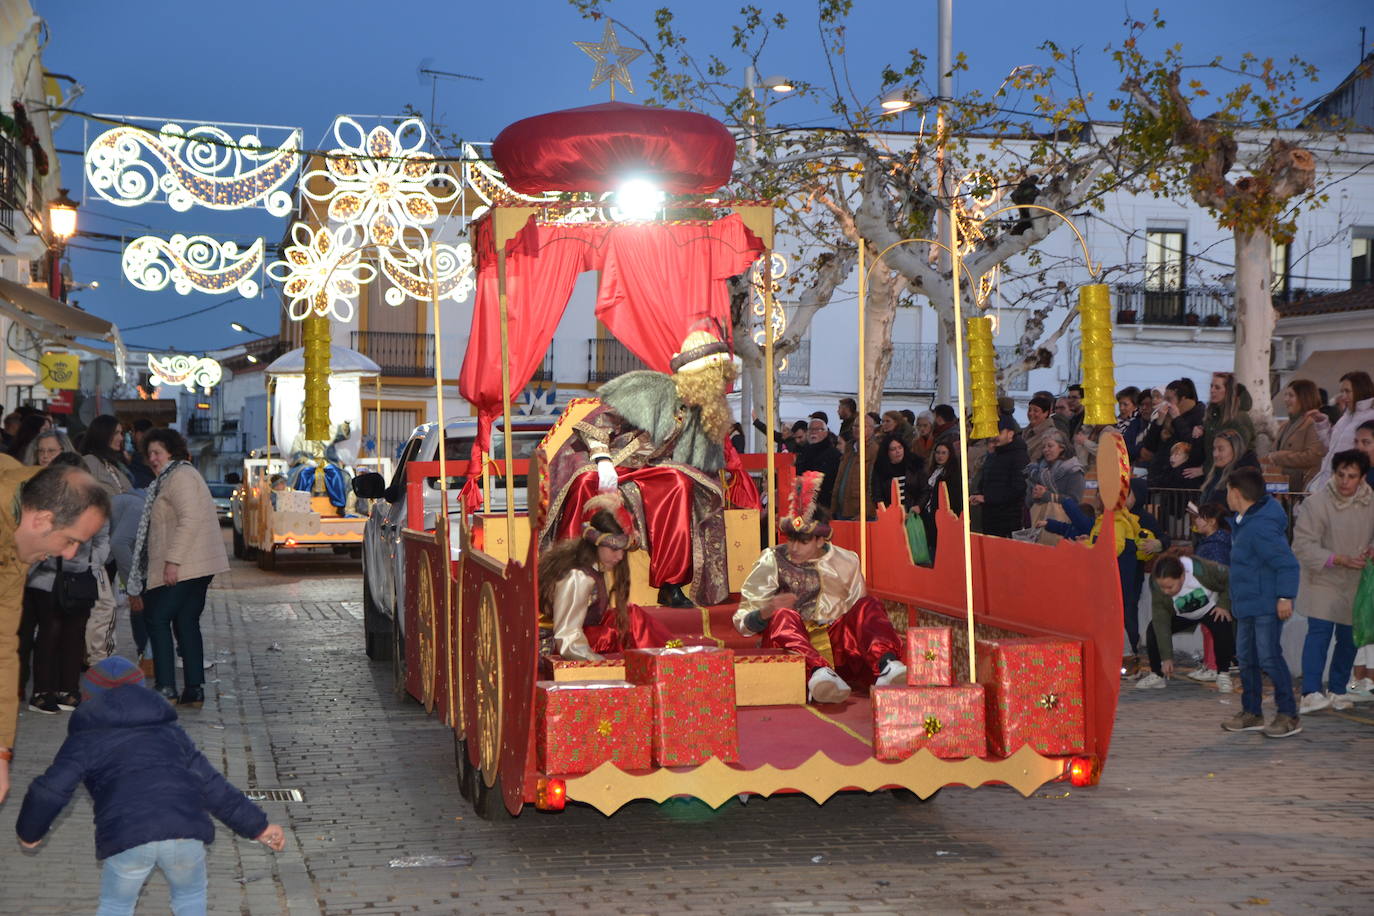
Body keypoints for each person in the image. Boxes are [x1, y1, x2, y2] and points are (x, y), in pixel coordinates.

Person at [15, 656, 286, 913]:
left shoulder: (85, 737)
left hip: (128, 835)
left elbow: (50, 789)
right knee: (190, 897)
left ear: (89, 698)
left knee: (116, 906)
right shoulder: (171, 732)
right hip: (185, 831)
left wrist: (30, 832)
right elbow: (214, 786)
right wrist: (258, 827)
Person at [541, 328, 740, 609]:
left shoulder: (703, 412)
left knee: (678, 484)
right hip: (609, 459)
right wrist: (603, 461)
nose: (721, 388)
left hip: (649, 470)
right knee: (586, 481)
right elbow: (599, 421)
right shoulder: (650, 391)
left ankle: (671, 584)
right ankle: (566, 575)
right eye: (717, 380)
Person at [733, 473, 906, 704]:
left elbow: (857, 617)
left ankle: (886, 664)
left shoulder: (847, 560)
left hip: (840, 649)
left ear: (821, 540)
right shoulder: (772, 559)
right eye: (791, 539)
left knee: (869, 604)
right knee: (783, 615)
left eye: (802, 541)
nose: (793, 547)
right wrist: (767, 610)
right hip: (794, 650)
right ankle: (818, 673)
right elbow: (742, 623)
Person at [0, 461, 110, 803]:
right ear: (43, 520)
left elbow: (3, 645)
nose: (69, 554)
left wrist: (1, 752)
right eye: (70, 541)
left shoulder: (17, 546)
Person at [126, 428, 229, 706]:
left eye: (158, 452)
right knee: (185, 622)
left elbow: (189, 520)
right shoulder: (173, 477)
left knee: (157, 618)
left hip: (186, 566)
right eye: (149, 454)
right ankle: (193, 690)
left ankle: (166, 687)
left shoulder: (180, 476)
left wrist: (173, 561)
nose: (153, 458)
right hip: (194, 565)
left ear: (171, 451)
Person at [24, 452, 110, 715]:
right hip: (45, 578)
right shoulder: (43, 502)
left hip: (80, 578)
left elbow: (103, 539)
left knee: (74, 635)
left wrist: (91, 563)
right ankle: (42, 692)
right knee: (50, 633)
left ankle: (68, 690)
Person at [537, 496, 673, 661]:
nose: (619, 556)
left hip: (585, 634)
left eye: (622, 550)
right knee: (634, 621)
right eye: (613, 549)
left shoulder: (596, 567)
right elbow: (567, 636)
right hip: (564, 646)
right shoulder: (578, 577)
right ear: (596, 543)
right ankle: (666, 662)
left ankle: (666, 658)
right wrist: (596, 663)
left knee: (628, 616)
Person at [1220, 467, 1302, 738]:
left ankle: (1288, 713)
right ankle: (1252, 711)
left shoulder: (1261, 526)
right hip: (1247, 604)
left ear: (1237, 492)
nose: (1226, 496)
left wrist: (1284, 596)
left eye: (1228, 491)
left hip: (1266, 603)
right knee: (1246, 659)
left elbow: (1287, 563)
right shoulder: (1244, 521)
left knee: (1268, 656)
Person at [1291, 450, 1374, 714]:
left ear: (1362, 478)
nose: (1345, 481)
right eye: (1341, 475)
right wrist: (1337, 559)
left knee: (1349, 639)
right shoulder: (1316, 504)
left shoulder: (1371, 502)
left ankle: (1337, 689)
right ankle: (1311, 691)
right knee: (1319, 633)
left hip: (1355, 580)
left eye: (1352, 476)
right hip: (1322, 578)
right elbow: (1302, 546)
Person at [1141, 555, 1236, 692]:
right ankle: (1157, 674)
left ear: (1182, 576)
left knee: (1223, 624)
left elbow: (1230, 577)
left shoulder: (1202, 569)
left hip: (1210, 608)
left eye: (1170, 587)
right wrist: (1166, 658)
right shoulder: (1156, 585)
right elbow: (1160, 620)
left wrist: (1223, 604)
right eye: (1162, 587)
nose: (1165, 592)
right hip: (1182, 614)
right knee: (1154, 630)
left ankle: (1223, 674)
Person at [1308, 370, 1374, 491]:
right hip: (1329, 481)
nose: (1343, 396)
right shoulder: (1346, 416)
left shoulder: (1370, 417)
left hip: (1348, 484)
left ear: (1360, 390)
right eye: (1342, 391)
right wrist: (1322, 424)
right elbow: (1331, 446)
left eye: (1347, 391)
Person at [971, 416, 1028, 538]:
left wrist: (987, 498)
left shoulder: (1019, 456)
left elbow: (1018, 488)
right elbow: (985, 479)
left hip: (1008, 519)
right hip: (989, 516)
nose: (995, 436)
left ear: (1010, 434)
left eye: (999, 432)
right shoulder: (994, 454)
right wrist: (978, 493)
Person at [1268, 379, 1327, 493]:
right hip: (1281, 486)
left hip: (1302, 489)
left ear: (1304, 398)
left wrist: (1279, 456)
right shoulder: (1285, 425)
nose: (1286, 400)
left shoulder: (1314, 423)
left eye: (1291, 395)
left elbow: (1313, 456)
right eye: (1285, 395)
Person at [1025, 430, 1085, 535]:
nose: (1046, 450)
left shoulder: (1073, 470)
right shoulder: (1039, 470)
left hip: (1062, 524)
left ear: (1062, 447)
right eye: (1043, 447)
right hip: (1039, 519)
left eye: (1050, 446)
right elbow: (1029, 501)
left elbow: (1074, 500)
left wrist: (1047, 495)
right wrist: (1034, 493)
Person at [916, 440, 962, 562]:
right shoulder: (932, 471)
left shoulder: (952, 474)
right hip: (930, 516)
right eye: (937, 453)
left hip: (943, 517)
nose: (940, 456)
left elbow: (954, 498)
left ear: (949, 455)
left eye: (943, 453)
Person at [1200, 372, 1255, 473]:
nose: (1212, 390)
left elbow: (1238, 454)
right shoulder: (1212, 415)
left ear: (1228, 391)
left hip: (1233, 476)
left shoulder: (1239, 418)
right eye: (1211, 386)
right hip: (1214, 475)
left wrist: (1205, 470)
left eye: (1217, 387)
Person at [830, 418, 878, 522]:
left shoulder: (875, 452)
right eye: (855, 426)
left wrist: (866, 512)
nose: (858, 429)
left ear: (872, 429)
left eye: (863, 426)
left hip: (859, 513)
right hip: (841, 510)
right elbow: (839, 481)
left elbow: (873, 486)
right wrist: (832, 508)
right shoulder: (849, 449)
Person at [1198, 429, 1259, 508]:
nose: (1215, 454)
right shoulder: (1216, 474)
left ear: (1235, 449)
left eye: (1221, 449)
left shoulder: (1242, 479)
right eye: (1214, 449)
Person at [794, 416, 842, 511]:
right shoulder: (804, 452)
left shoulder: (833, 454)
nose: (813, 432)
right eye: (811, 429)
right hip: (803, 502)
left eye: (818, 429)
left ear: (826, 432)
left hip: (823, 503)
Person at [80, 414, 134, 498]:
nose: (121, 438)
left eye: (121, 433)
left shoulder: (112, 464)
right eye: (116, 433)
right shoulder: (89, 462)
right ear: (103, 434)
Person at [871, 434, 923, 511]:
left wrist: (919, 505)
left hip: (913, 513)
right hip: (890, 513)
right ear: (886, 452)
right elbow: (877, 495)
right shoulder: (880, 469)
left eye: (900, 447)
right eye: (893, 449)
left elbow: (925, 489)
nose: (898, 451)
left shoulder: (915, 464)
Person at [1023, 394, 1057, 463]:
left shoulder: (1050, 434)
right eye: (1029, 410)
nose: (1031, 413)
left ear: (1046, 413)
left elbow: (1036, 461)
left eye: (1035, 411)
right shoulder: (1026, 431)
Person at [126, 419, 156, 489]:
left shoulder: (139, 459)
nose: (130, 434)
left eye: (132, 431)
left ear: (139, 434)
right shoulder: (136, 458)